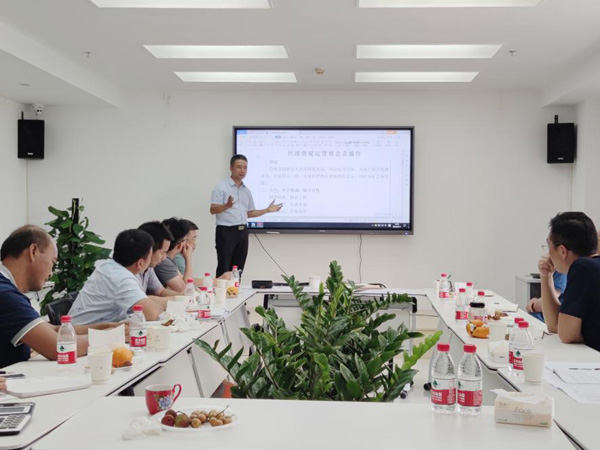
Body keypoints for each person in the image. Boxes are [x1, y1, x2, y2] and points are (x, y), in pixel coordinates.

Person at [0, 225, 121, 368]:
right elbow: (59, 348)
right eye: (53, 262)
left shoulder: (7, 289)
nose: (51, 273)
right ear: (33, 251)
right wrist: (111, 337)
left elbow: (53, 330)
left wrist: (106, 327)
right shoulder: (6, 293)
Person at [69, 229, 167, 325]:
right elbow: (153, 314)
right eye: (150, 257)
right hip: (84, 333)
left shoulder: (108, 266)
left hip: (89, 329)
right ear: (140, 263)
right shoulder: (121, 278)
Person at [210, 154, 283, 277]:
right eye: (239, 167)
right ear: (231, 168)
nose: (242, 170)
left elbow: (249, 213)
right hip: (226, 232)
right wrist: (227, 205)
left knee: (238, 268)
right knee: (224, 267)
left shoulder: (246, 191)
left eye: (245, 167)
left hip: (243, 232)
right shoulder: (221, 187)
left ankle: (235, 289)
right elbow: (213, 209)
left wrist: (267, 210)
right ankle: (222, 290)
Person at [540, 212, 600, 351]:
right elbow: (555, 325)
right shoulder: (592, 267)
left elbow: (566, 334)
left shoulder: (583, 268)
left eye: (549, 247)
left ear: (562, 250)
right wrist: (546, 276)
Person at [137, 221, 181, 298]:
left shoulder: (149, 267)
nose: (164, 257)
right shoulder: (131, 269)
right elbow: (142, 300)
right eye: (162, 253)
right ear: (150, 249)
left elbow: (160, 291)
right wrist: (181, 299)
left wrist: (184, 297)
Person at [154, 218, 194, 291]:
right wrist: (188, 259)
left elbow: (184, 282)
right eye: (185, 240)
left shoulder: (170, 259)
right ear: (179, 245)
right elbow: (186, 288)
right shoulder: (164, 261)